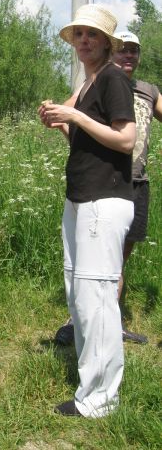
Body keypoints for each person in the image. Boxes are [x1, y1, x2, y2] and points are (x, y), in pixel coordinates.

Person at [39, 4, 136, 418]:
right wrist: (62, 122)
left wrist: (74, 114)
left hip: (104, 201)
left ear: (107, 42)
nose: (83, 40)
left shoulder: (113, 78)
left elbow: (126, 139)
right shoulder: (88, 82)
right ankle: (91, 382)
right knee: (80, 294)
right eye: (79, 33)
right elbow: (89, 142)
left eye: (92, 34)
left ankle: (100, 400)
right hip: (80, 199)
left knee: (96, 298)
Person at [54, 30, 162, 346]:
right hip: (104, 182)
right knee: (95, 262)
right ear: (112, 51)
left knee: (117, 259)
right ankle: (84, 323)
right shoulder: (98, 82)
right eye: (123, 49)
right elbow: (65, 116)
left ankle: (108, 323)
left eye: (134, 50)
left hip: (135, 180)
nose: (128, 55)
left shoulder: (147, 90)